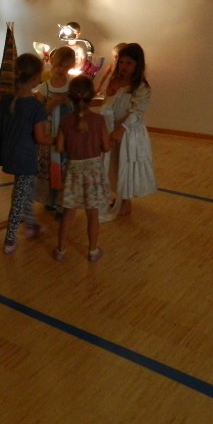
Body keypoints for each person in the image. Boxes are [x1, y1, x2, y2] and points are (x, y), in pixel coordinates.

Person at [0, 53, 54, 254]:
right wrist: (59, 139)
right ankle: (10, 239)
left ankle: (30, 225)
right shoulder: (36, 107)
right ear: (36, 78)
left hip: (9, 154)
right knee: (19, 196)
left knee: (27, 189)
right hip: (25, 158)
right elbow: (41, 138)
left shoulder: (7, 99)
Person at [53, 75, 112, 262]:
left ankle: (61, 250)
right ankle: (93, 251)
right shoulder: (99, 120)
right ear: (92, 96)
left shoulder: (65, 121)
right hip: (93, 171)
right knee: (92, 213)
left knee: (68, 213)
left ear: (70, 97)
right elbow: (106, 147)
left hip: (73, 170)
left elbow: (59, 147)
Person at [99, 43, 157, 219]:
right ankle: (116, 196)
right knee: (113, 165)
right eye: (121, 62)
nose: (124, 66)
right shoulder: (115, 81)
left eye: (129, 63)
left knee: (126, 164)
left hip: (129, 133)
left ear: (137, 65)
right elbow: (108, 104)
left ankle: (125, 201)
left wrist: (121, 129)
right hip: (111, 128)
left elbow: (136, 112)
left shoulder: (141, 88)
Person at [33, 45, 75, 218]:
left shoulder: (72, 87)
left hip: (66, 136)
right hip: (49, 136)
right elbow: (40, 113)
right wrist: (55, 101)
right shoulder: (44, 88)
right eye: (58, 65)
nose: (61, 70)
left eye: (66, 67)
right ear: (52, 63)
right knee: (50, 167)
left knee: (64, 167)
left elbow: (77, 110)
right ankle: (50, 200)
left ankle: (62, 203)